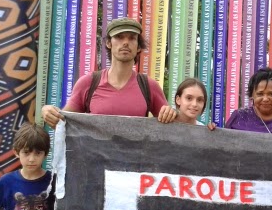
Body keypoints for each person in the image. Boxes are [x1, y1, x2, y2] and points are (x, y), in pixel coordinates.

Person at [41, 17, 177, 128]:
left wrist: (171, 114)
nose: (125, 42)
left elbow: (174, 128)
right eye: (119, 37)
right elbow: (63, 124)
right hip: (93, 155)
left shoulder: (149, 86)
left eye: (132, 38)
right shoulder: (88, 83)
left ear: (138, 46)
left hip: (136, 155)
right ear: (108, 43)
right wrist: (48, 112)